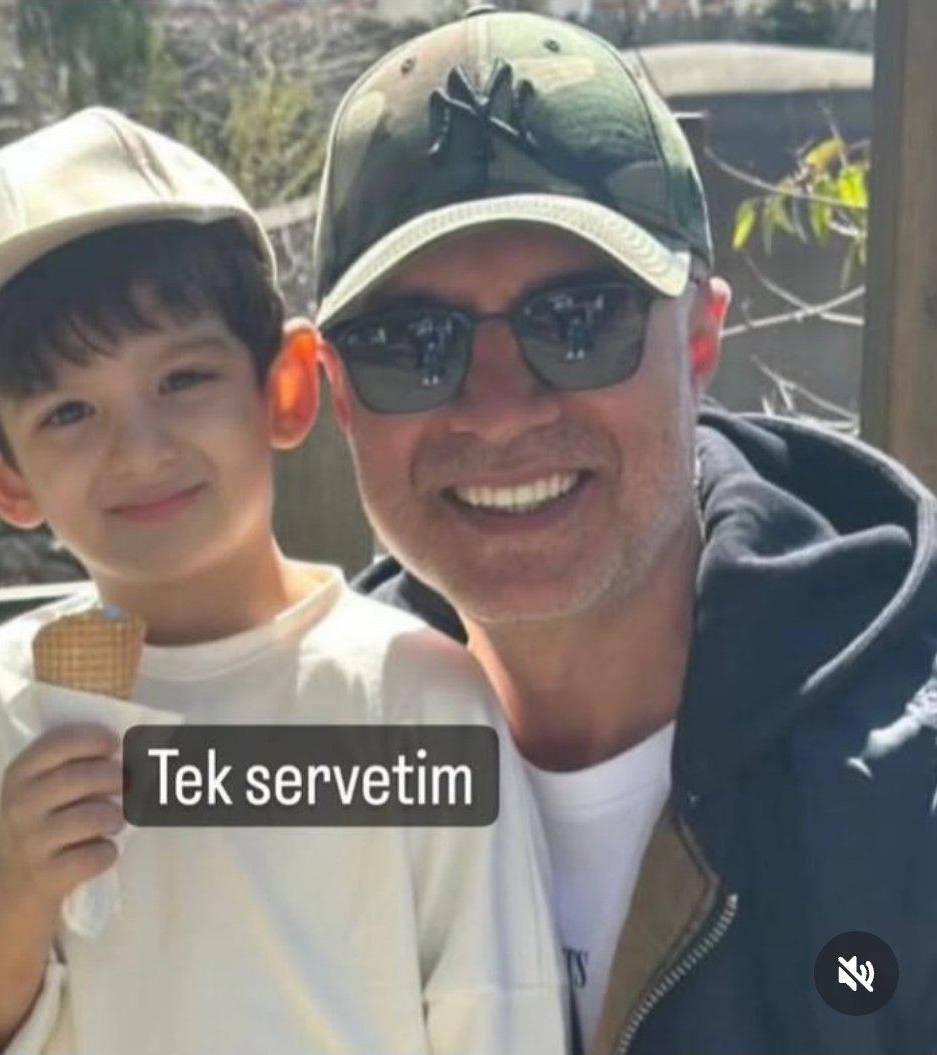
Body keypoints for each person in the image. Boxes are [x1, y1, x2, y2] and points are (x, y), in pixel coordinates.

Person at [0, 98, 569, 1054]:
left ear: (287, 388)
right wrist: (5, 900)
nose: (139, 448)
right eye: (67, 412)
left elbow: (503, 1010)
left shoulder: (413, 698)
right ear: (1, 477)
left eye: (182, 379)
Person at [313, 7, 937, 1054]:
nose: (498, 409)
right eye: (412, 342)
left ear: (698, 337)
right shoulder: (290, 772)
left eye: (578, 320)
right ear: (337, 393)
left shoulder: (906, 793)